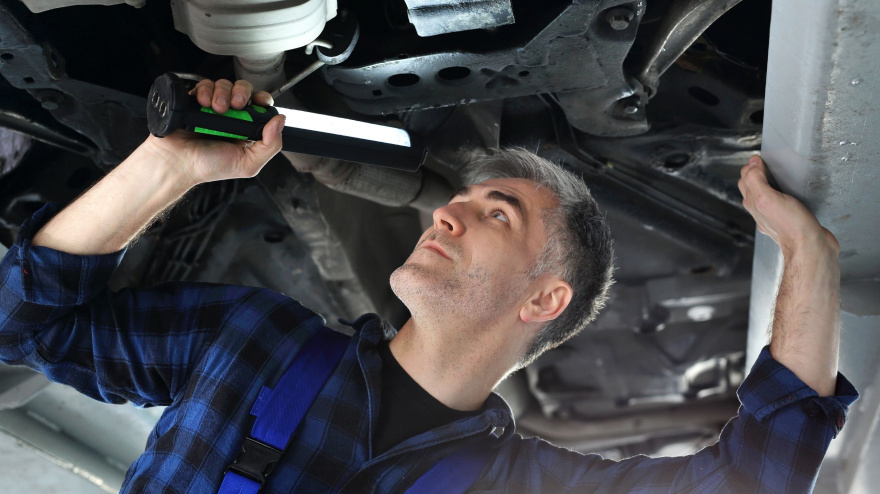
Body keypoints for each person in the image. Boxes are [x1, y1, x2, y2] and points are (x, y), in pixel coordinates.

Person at [0, 79, 858, 493]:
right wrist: (167, 167)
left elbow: (755, 482)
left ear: (544, 299)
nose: (446, 211)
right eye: (459, 200)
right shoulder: (253, 340)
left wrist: (807, 251)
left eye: (496, 215)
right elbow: (26, 326)